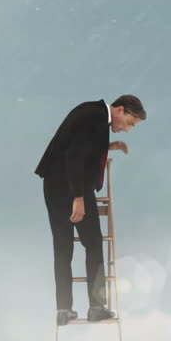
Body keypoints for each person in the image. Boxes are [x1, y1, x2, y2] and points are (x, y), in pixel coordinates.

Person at [35, 95, 146, 326]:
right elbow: (75, 155)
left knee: (62, 246)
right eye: (129, 123)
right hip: (73, 185)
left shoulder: (92, 113)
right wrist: (79, 197)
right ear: (120, 110)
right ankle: (97, 307)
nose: (126, 129)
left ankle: (63, 310)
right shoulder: (97, 117)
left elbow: (81, 146)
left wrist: (110, 146)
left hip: (54, 184)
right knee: (94, 242)